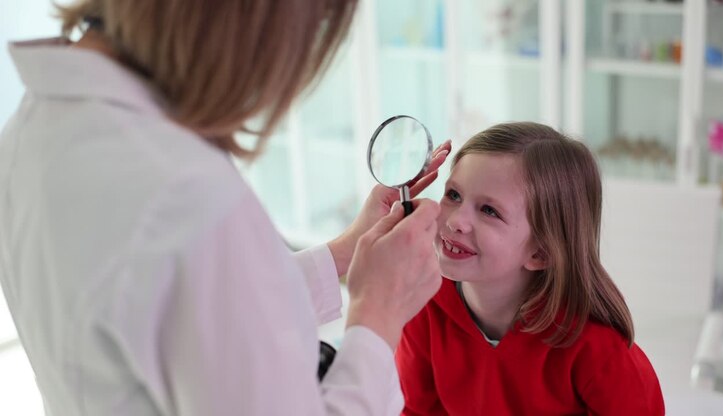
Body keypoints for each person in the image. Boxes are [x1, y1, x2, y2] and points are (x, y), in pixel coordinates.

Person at [0, 1, 453, 414]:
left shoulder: (27, 131)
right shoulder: (187, 193)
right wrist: (377, 314)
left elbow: (184, 312)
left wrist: (342, 255)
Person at [395, 122, 665, 415]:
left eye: (489, 211)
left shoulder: (595, 346)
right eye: (454, 195)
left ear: (541, 252)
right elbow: (416, 410)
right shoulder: (423, 304)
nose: (456, 220)